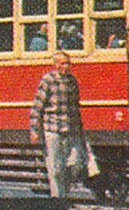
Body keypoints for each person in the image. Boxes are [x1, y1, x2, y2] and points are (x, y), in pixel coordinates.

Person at [29, 52, 87, 201]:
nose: (65, 67)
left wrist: (81, 131)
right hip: (52, 129)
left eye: (68, 63)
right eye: (62, 64)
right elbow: (37, 106)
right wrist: (34, 129)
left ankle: (64, 193)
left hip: (71, 129)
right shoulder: (48, 80)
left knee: (76, 163)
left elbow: (75, 107)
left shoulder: (72, 81)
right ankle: (58, 199)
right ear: (55, 65)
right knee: (55, 168)